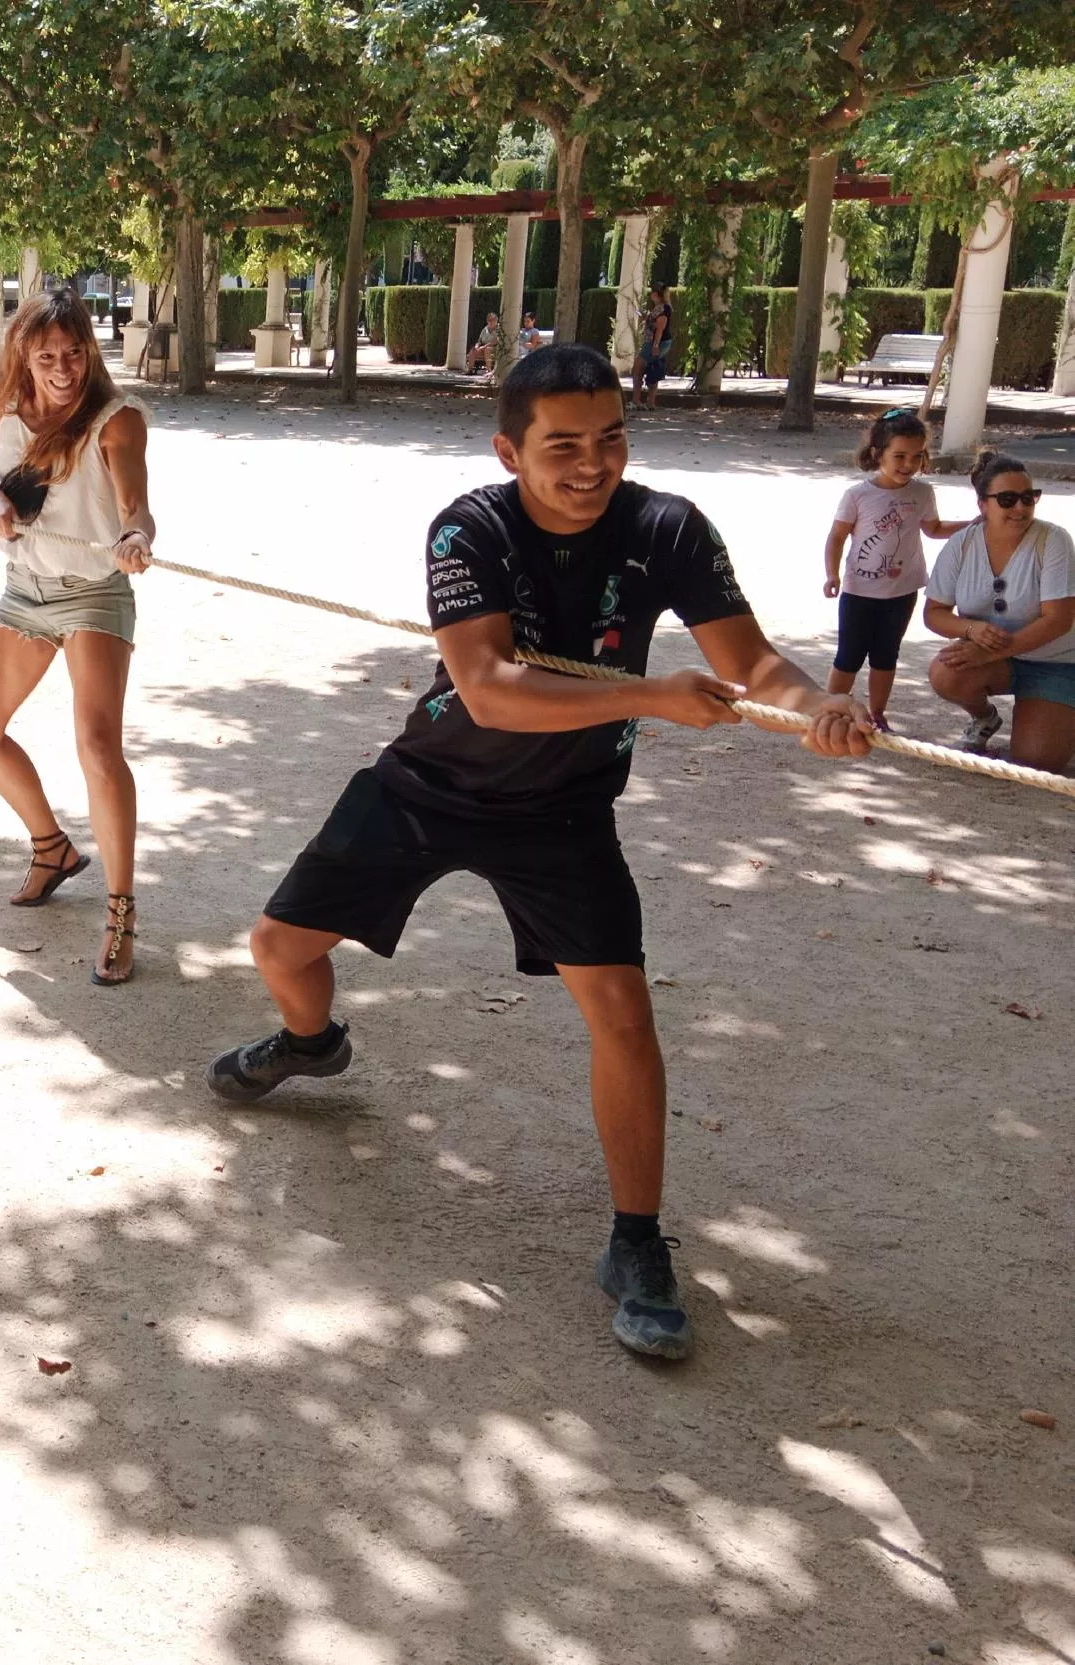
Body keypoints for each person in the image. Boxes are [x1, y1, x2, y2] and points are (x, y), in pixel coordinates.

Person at [205, 345, 875, 1362]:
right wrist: (650, 694)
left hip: (565, 809)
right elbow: (488, 689)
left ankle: (638, 1242)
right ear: (508, 450)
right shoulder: (469, 528)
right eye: (562, 445)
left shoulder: (669, 529)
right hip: (427, 785)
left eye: (610, 438)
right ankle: (310, 1044)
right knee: (278, 948)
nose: (592, 463)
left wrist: (815, 705)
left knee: (622, 1013)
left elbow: (752, 665)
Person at [0, 289, 154, 985]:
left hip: (95, 589)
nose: (64, 367)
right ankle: (52, 847)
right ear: (23, 354)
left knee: (98, 749)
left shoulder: (115, 417)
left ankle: (122, 910)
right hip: (26, 589)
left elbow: (136, 504)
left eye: (74, 353)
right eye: (47, 356)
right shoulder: (2, 400)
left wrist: (134, 535)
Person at [923, 453, 1075, 769]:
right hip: (994, 656)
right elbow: (934, 612)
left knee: (1036, 761)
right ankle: (984, 718)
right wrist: (970, 630)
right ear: (983, 505)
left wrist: (988, 653)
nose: (1020, 508)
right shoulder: (962, 544)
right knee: (946, 672)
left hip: (1056, 662)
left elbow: (1059, 619)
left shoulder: (1054, 539)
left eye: (1028, 498)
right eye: (1007, 499)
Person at [822, 408, 964, 732]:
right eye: (899, 455)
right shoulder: (857, 495)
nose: (908, 465)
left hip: (902, 591)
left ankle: (877, 714)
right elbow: (837, 536)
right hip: (859, 591)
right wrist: (832, 573)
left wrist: (974, 524)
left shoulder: (922, 493)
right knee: (849, 655)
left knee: (886, 655)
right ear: (878, 453)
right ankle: (829, 707)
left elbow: (934, 528)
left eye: (916, 457)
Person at [633, 285, 674, 409]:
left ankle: (637, 400)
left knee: (637, 368)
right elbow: (655, 323)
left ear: (657, 294)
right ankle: (650, 402)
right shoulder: (659, 308)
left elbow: (660, 327)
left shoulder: (663, 308)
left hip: (656, 342)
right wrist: (646, 317)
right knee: (653, 369)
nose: (651, 294)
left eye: (652, 292)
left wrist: (655, 345)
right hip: (654, 342)